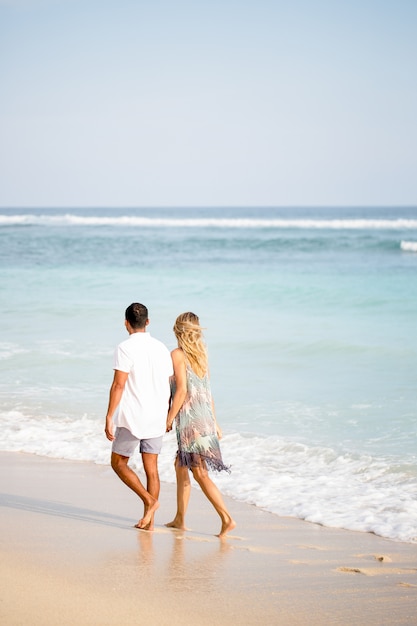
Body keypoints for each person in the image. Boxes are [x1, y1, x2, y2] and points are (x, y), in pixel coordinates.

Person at [165, 312, 236, 537]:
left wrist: (168, 418)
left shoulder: (177, 355)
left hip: (191, 423)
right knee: (181, 466)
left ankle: (227, 518)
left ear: (178, 330)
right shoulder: (202, 355)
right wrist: (215, 422)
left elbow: (183, 390)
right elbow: (207, 392)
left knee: (200, 473)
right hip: (204, 418)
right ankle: (179, 518)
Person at [105, 302, 173, 530]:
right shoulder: (162, 348)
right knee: (151, 469)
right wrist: (170, 414)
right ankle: (149, 523)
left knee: (118, 463)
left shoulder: (125, 347)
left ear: (126, 324)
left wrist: (109, 416)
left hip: (134, 416)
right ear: (148, 322)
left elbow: (118, 385)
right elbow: (170, 382)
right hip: (158, 415)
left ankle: (149, 501)